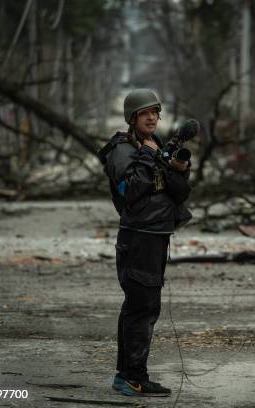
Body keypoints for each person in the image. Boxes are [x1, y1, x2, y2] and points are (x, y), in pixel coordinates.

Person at [105, 89, 191, 396]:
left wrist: (176, 166)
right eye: (145, 113)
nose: (152, 117)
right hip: (138, 238)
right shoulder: (122, 151)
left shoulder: (155, 146)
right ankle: (133, 377)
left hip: (155, 237)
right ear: (132, 118)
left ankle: (127, 376)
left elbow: (180, 192)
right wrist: (148, 156)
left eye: (155, 111)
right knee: (141, 309)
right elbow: (131, 193)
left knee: (141, 307)